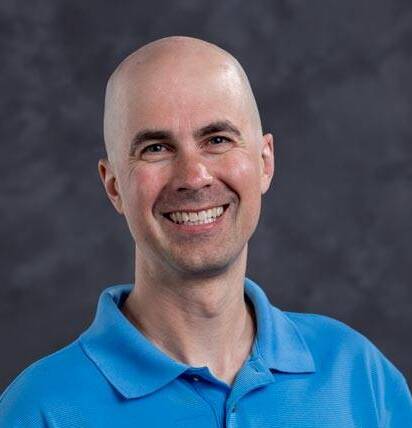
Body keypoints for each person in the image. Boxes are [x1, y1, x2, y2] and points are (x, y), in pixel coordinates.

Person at [0, 36, 411, 428]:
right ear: (113, 186)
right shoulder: (38, 411)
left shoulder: (359, 376)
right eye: (156, 148)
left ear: (264, 162)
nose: (194, 177)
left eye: (217, 139)